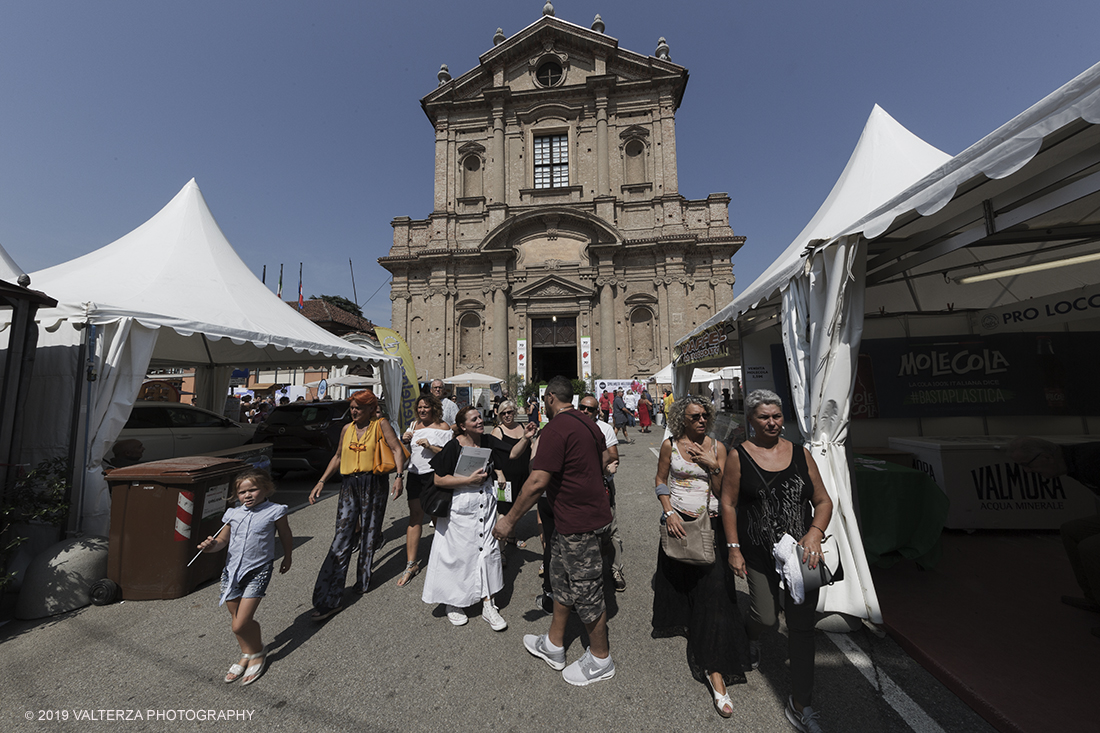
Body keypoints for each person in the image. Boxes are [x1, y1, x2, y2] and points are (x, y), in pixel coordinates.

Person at [494, 376, 617, 687]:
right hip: (575, 519)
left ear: (549, 398)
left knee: (587, 591)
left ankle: (601, 659)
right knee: (560, 579)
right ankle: (554, 643)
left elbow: (537, 482)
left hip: (580, 523)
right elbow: (604, 460)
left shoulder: (556, 429)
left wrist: (508, 521)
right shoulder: (589, 423)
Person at [722, 389, 833, 733]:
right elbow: (728, 503)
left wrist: (815, 531)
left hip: (801, 556)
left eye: (776, 416)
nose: (772, 422)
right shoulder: (740, 456)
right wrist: (734, 547)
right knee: (766, 617)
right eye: (763, 417)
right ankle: (750, 634)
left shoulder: (802, 454)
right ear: (750, 420)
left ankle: (801, 704)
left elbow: (823, 500)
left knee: (802, 629)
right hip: (757, 552)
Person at [652, 396, 749, 717]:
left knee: (715, 595)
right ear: (682, 418)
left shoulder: (718, 448)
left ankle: (714, 670)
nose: (702, 420)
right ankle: (691, 624)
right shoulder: (670, 445)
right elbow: (660, 480)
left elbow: (725, 494)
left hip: (712, 528)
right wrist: (668, 512)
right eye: (695, 416)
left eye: (705, 415)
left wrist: (712, 466)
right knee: (685, 584)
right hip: (679, 526)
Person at [422, 406, 536, 629]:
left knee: (488, 554)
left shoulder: (488, 441)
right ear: (463, 425)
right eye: (474, 419)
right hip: (460, 509)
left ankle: (488, 603)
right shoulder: (454, 446)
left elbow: (512, 454)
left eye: (480, 417)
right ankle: (453, 603)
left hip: (486, 506)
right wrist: (465, 481)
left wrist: (526, 438)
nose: (480, 421)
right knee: (459, 556)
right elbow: (438, 480)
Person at [308, 389, 405, 619]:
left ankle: (363, 579)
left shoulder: (381, 425)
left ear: (371, 409)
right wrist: (321, 481)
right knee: (342, 537)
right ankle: (330, 597)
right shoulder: (347, 429)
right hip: (349, 484)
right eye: (352, 407)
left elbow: (397, 449)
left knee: (370, 533)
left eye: (358, 408)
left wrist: (399, 478)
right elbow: (338, 456)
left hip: (374, 482)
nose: (353, 411)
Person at [197, 468, 292, 686]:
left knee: (241, 624)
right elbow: (221, 542)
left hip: (258, 569)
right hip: (232, 572)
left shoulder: (275, 511)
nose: (247, 495)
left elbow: (285, 534)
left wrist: (288, 556)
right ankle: (246, 653)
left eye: (253, 490)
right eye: (242, 492)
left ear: (267, 489)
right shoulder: (233, 514)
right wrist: (209, 547)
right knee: (236, 618)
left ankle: (258, 651)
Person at [1008, 436, 1100, 635]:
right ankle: (1095, 598)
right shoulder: (1074, 461)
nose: (1027, 472)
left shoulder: (1091, 462)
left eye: (1027, 465)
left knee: (1092, 547)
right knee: (1072, 531)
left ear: (1046, 458)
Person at [397, 394, 452, 587]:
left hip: (433, 475)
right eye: (419, 407)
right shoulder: (413, 426)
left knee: (437, 516)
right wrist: (404, 441)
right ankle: (411, 564)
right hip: (415, 475)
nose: (422, 410)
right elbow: (405, 453)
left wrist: (431, 446)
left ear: (434, 408)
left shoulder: (443, 427)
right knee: (415, 517)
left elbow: (449, 454)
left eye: (426, 407)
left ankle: (444, 558)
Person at [578, 394, 625, 591]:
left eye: (590, 409)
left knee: (611, 529)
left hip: (603, 484)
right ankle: (586, 573)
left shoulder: (604, 428)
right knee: (581, 532)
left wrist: (602, 465)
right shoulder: (574, 427)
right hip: (580, 487)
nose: (586, 411)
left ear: (598, 412)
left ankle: (616, 569)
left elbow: (614, 456)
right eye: (583, 407)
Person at [490, 399, 532, 568]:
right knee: (503, 511)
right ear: (499, 415)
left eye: (509, 412)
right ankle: (500, 550)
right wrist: (499, 473)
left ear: (515, 412)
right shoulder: (497, 431)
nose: (507, 415)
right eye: (503, 413)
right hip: (504, 479)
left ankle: (512, 537)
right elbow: (492, 456)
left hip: (522, 475)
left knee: (517, 508)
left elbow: (530, 450)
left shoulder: (522, 428)